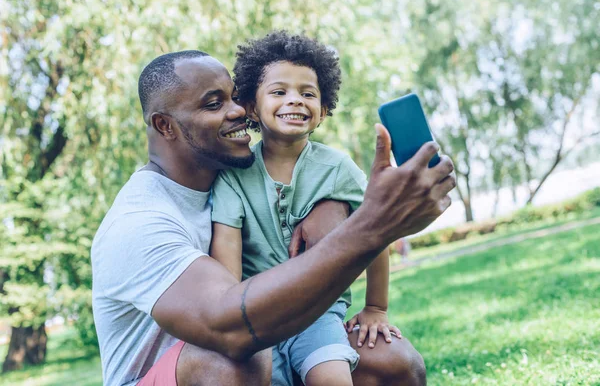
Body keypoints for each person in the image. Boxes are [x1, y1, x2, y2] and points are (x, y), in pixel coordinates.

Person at [91, 49, 456, 386]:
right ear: (165, 126)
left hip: (270, 346)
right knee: (232, 363)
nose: (237, 111)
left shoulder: (234, 175)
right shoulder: (139, 222)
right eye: (215, 103)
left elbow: (298, 180)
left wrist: (334, 205)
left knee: (394, 361)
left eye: (235, 97)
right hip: (215, 360)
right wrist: (374, 224)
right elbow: (229, 326)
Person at [210, 31, 400, 386]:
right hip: (257, 319)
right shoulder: (233, 176)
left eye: (307, 93)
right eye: (279, 92)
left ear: (324, 109)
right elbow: (227, 265)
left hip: (317, 314)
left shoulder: (339, 169)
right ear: (251, 106)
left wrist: (376, 307)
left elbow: (377, 234)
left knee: (332, 377)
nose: (294, 100)